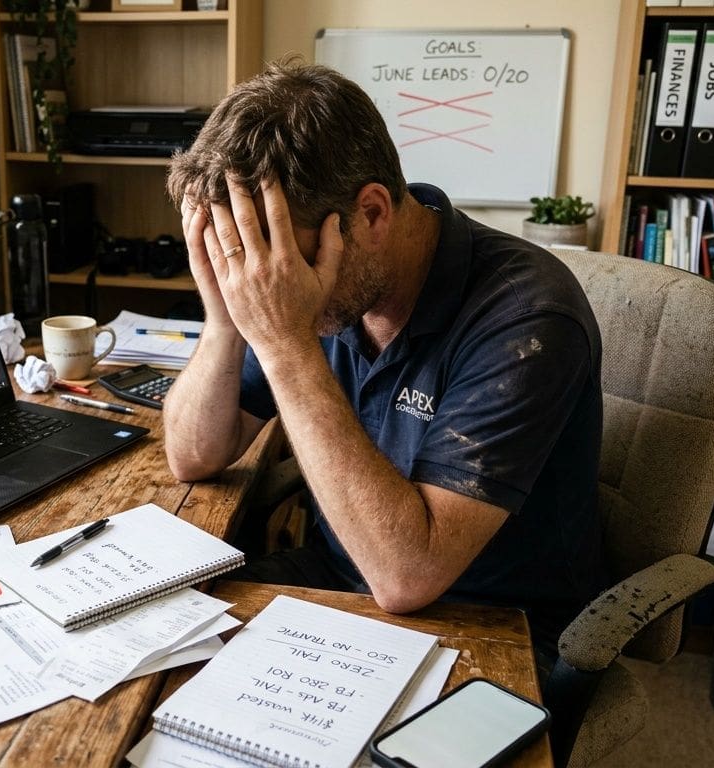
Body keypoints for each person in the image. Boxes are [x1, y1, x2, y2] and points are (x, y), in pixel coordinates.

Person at [162, 60, 605, 661]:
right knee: (160, 659)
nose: (259, 277)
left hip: (491, 626)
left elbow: (406, 576)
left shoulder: (527, 316)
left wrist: (286, 343)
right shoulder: (305, 282)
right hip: (340, 579)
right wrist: (223, 318)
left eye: (276, 256)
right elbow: (194, 455)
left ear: (371, 214)